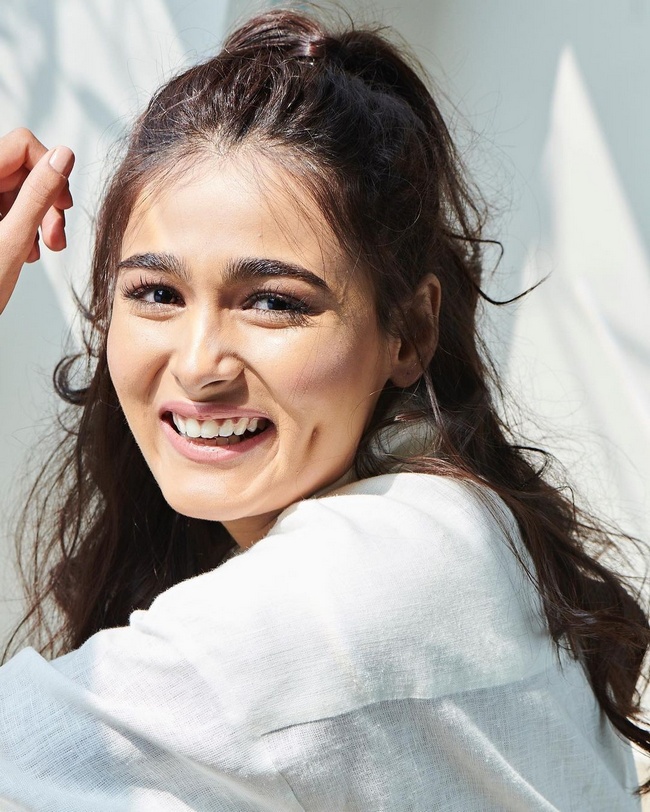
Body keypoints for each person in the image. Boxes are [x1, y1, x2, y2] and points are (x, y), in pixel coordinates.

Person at [0, 8, 647, 810]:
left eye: (273, 302)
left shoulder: (356, 587)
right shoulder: (451, 524)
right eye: (157, 293)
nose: (199, 365)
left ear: (408, 332)